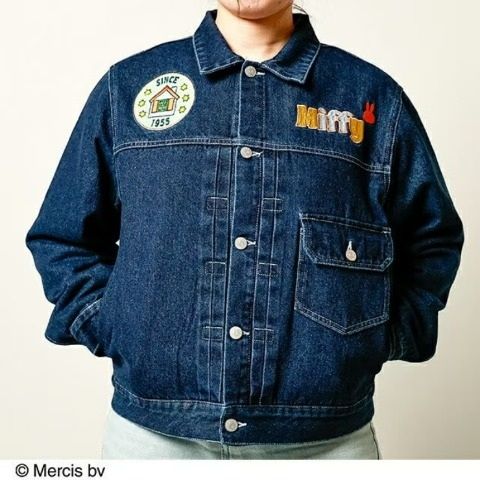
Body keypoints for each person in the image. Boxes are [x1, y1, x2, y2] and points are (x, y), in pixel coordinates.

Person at [25, 0, 464, 460]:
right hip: (152, 441)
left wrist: (380, 337)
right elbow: (62, 237)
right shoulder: (128, 87)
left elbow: (431, 239)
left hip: (324, 445)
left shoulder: (371, 98)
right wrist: (113, 325)